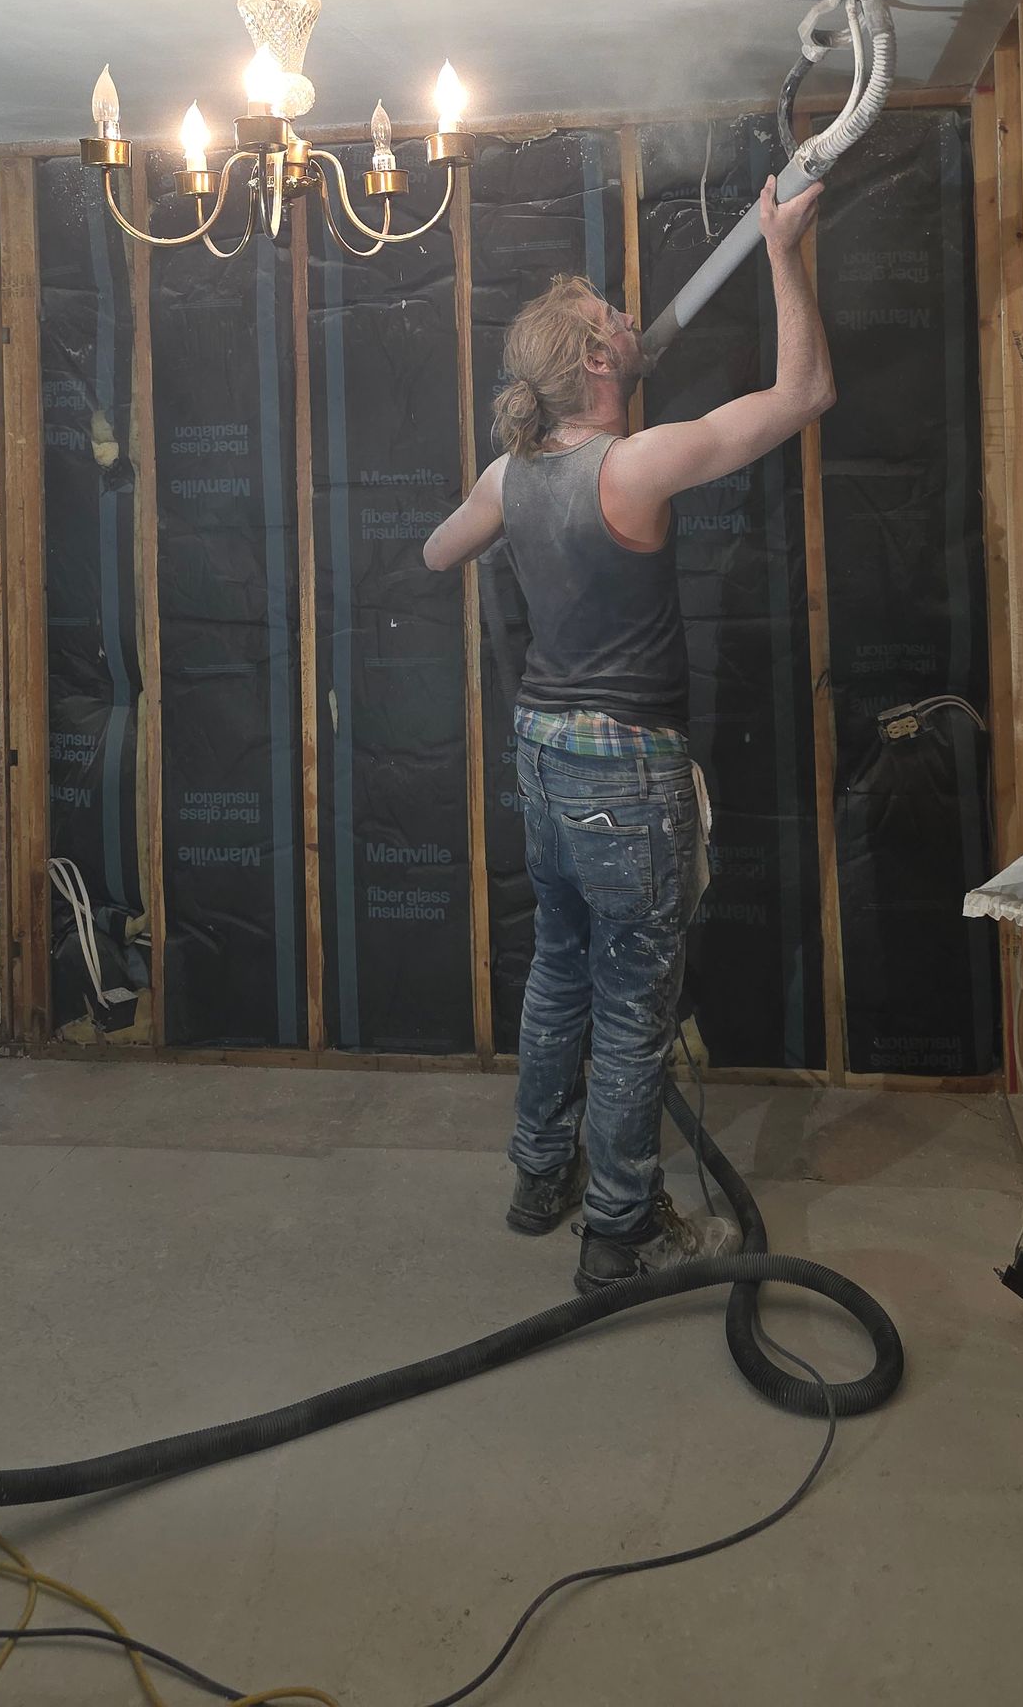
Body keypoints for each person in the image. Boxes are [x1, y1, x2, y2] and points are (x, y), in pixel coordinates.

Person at [422, 176, 832, 1288]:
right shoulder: (633, 465)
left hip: (543, 763)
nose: (626, 318)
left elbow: (434, 553)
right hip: (626, 775)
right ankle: (618, 1230)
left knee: (559, 973)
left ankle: (536, 1178)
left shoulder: (514, 475)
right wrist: (782, 250)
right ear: (601, 365)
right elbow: (804, 393)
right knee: (635, 999)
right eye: (613, 316)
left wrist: (510, 499)